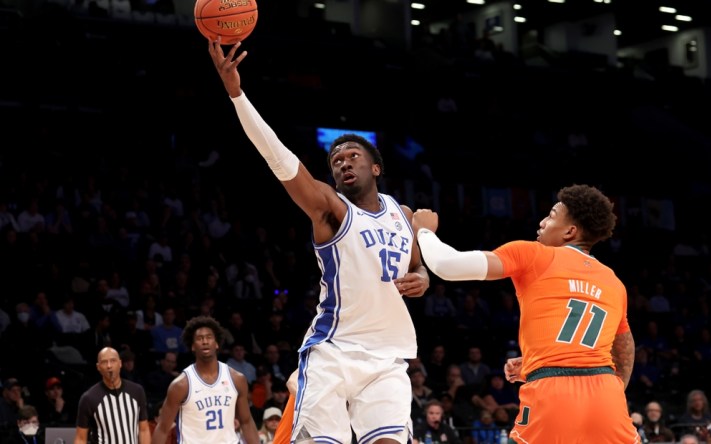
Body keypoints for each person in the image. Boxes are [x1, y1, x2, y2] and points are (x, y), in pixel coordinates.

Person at [207, 38, 430, 444]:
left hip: (387, 357)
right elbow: (279, 158)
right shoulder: (332, 209)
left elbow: (415, 264)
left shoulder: (404, 215)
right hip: (333, 351)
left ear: (376, 167)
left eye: (352, 156)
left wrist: (422, 275)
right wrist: (237, 94)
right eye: (336, 161)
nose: (343, 162)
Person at [412, 184, 639, 443]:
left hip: (552, 391)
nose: (542, 222)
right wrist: (605, 388)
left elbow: (447, 265)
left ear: (570, 231)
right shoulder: (613, 281)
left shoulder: (535, 254)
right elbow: (624, 346)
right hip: (606, 396)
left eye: (552, 215)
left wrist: (425, 231)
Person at [151, 315, 258, 444]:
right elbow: (162, 428)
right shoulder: (181, 385)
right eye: (199, 338)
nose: (205, 342)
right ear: (192, 346)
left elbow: (246, 422)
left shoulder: (237, 379)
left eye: (209, 337)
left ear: (217, 343)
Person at [74, 347, 151, 444]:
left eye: (113, 361)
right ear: (98, 367)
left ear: (120, 363)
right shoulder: (89, 398)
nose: (109, 366)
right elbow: (80, 438)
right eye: (104, 362)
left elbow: (143, 429)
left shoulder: (137, 391)